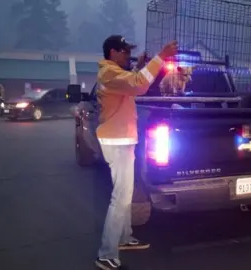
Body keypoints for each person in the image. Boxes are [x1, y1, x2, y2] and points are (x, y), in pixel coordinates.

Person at [94, 35, 178, 270]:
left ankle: (124, 238)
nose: (127, 55)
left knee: (125, 194)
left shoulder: (114, 73)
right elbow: (139, 84)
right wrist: (161, 57)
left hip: (122, 139)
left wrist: (141, 66)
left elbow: (134, 81)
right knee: (119, 198)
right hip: (116, 140)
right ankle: (106, 254)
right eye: (124, 51)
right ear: (112, 52)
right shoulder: (109, 73)